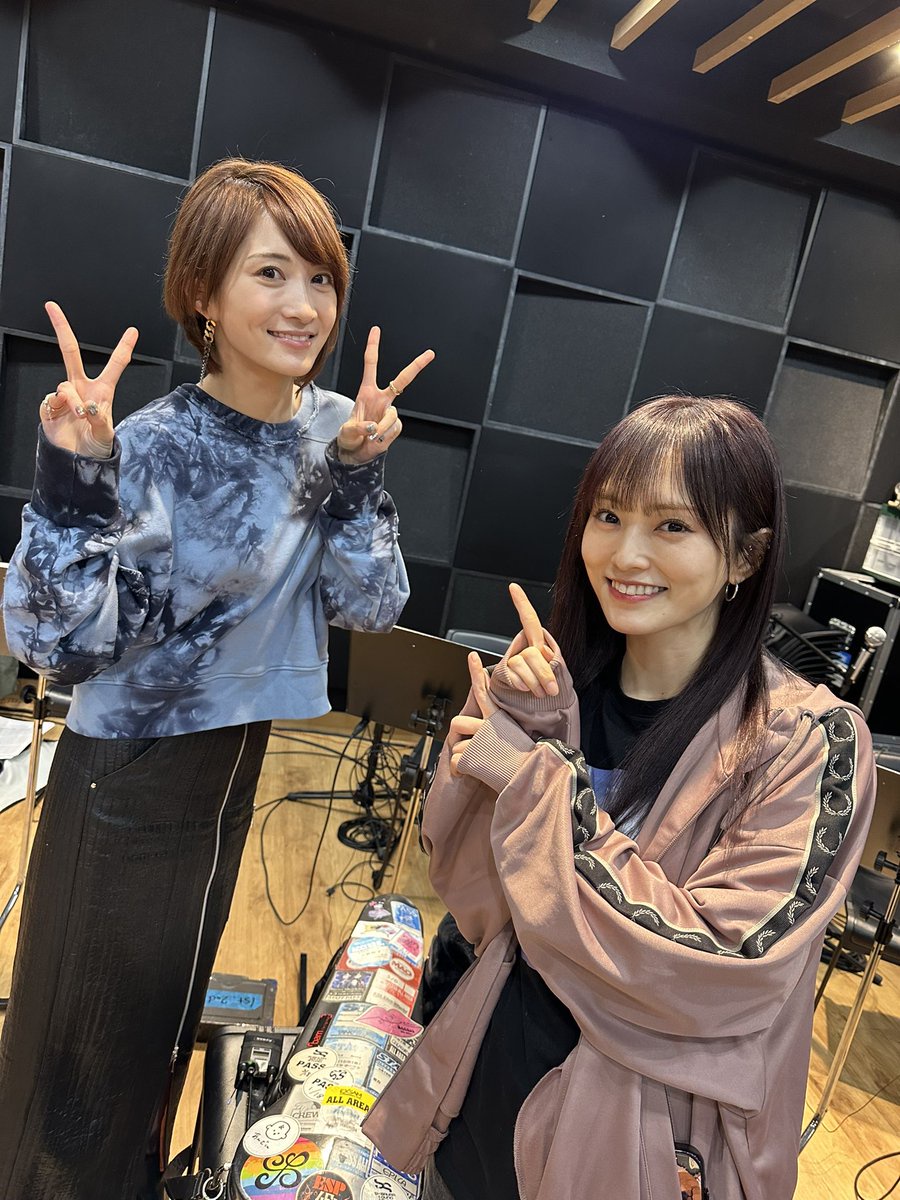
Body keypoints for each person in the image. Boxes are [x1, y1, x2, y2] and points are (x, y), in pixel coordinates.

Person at [0, 157, 433, 1199]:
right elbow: (56, 644)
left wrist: (360, 476)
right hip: (131, 767)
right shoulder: (155, 444)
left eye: (320, 279)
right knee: (78, 1052)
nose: (304, 306)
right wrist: (74, 477)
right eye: (270, 274)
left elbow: (372, 606)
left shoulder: (337, 429)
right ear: (203, 292)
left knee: (164, 1016)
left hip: (238, 757)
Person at [362, 395, 876, 1200]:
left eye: (672, 526)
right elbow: (480, 907)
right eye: (608, 515)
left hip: (636, 1154)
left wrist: (534, 783)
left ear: (745, 557)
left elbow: (716, 970)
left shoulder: (807, 742)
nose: (626, 553)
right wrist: (512, 733)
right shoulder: (559, 689)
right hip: (480, 1109)